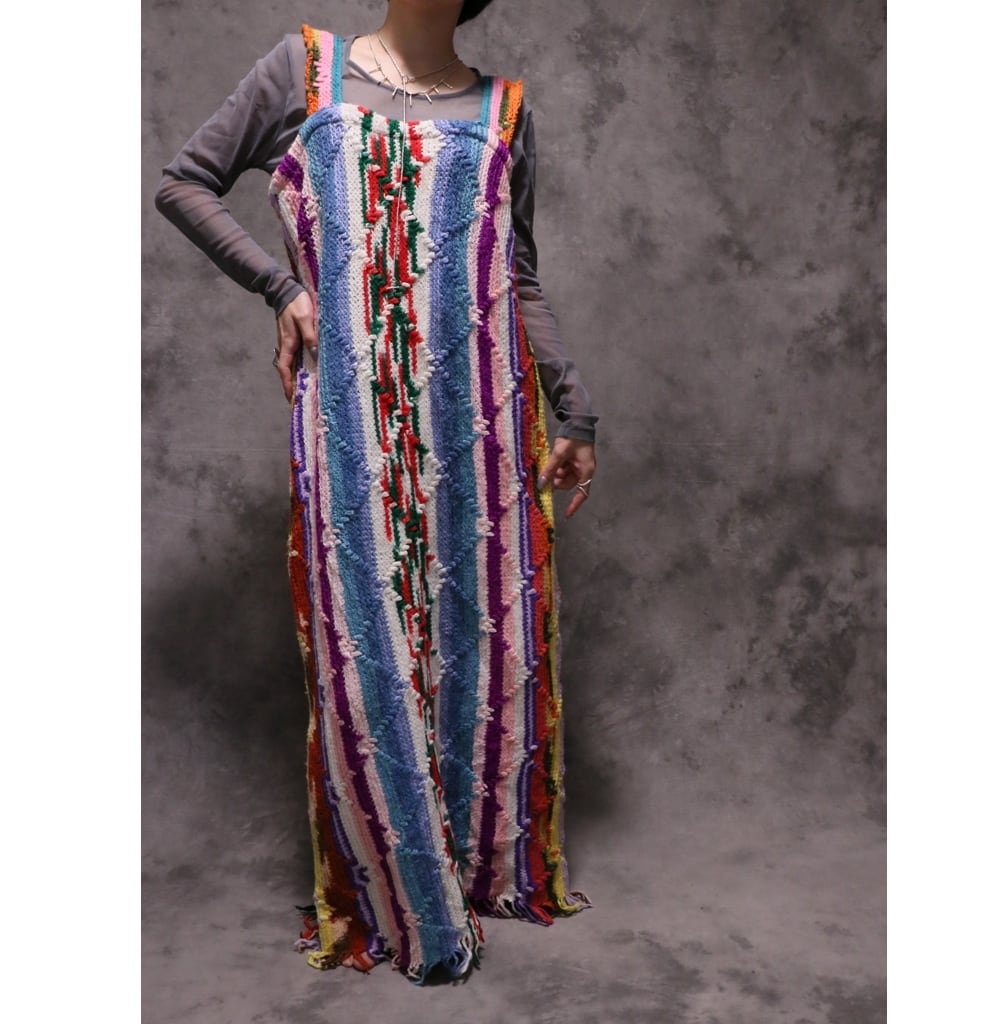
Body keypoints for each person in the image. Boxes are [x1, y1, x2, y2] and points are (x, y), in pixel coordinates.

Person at [155, 0, 598, 984]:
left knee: (476, 642)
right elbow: (183, 183)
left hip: (479, 428)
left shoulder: (505, 110)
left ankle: (472, 864)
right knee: (368, 645)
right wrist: (283, 289)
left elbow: (517, 273)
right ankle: (411, 897)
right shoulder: (304, 69)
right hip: (351, 419)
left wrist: (574, 409)